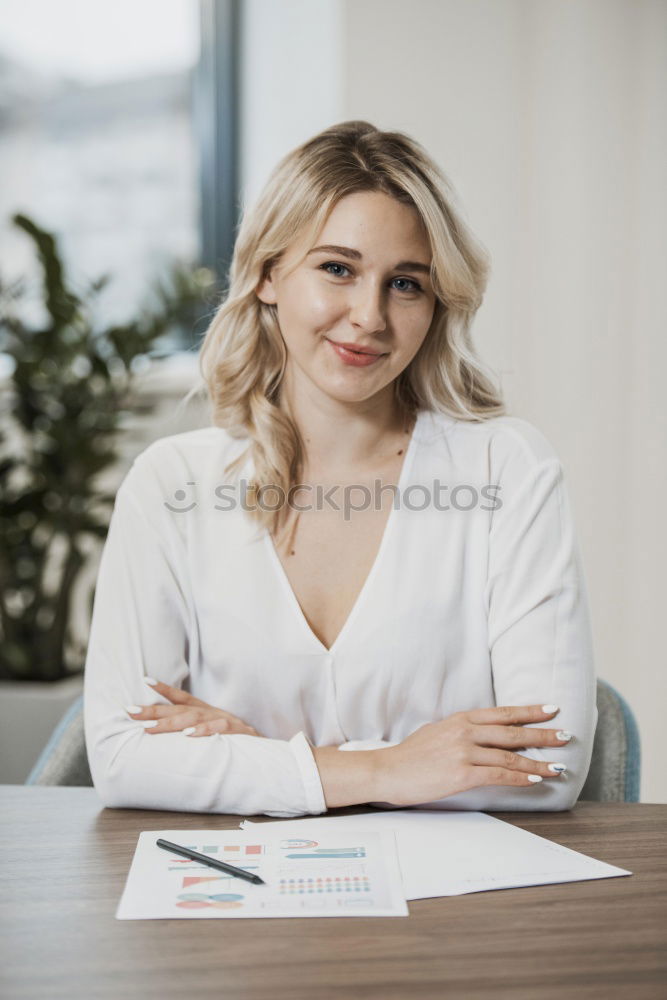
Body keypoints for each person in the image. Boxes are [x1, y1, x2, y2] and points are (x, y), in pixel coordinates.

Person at [83, 120, 597, 818]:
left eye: (405, 284)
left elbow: (547, 765)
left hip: (453, 912)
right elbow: (121, 759)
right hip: (239, 905)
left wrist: (263, 760)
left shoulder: (504, 468)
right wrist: (390, 767)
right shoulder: (170, 483)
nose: (369, 316)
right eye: (336, 269)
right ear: (268, 274)